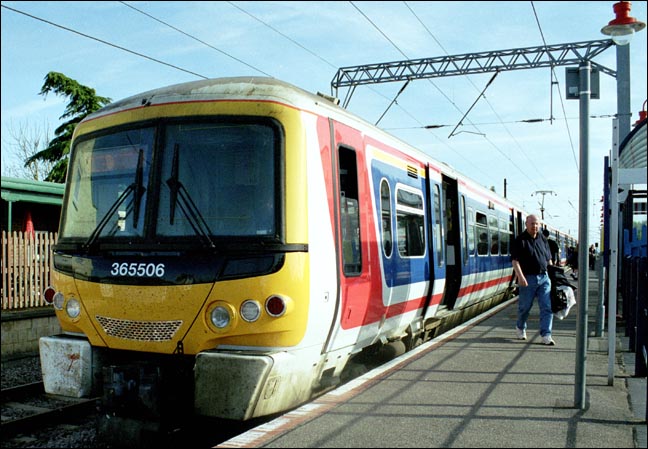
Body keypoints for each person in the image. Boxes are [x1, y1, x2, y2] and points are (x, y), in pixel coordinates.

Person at [511, 214, 555, 345]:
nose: (534, 226)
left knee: (547, 306)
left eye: (536, 224)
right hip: (528, 278)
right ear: (526, 224)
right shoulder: (520, 240)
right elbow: (515, 261)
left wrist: (553, 276)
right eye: (532, 224)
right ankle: (520, 327)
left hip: (544, 277)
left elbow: (548, 259)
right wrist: (520, 276)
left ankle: (546, 335)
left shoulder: (542, 239)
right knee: (525, 307)